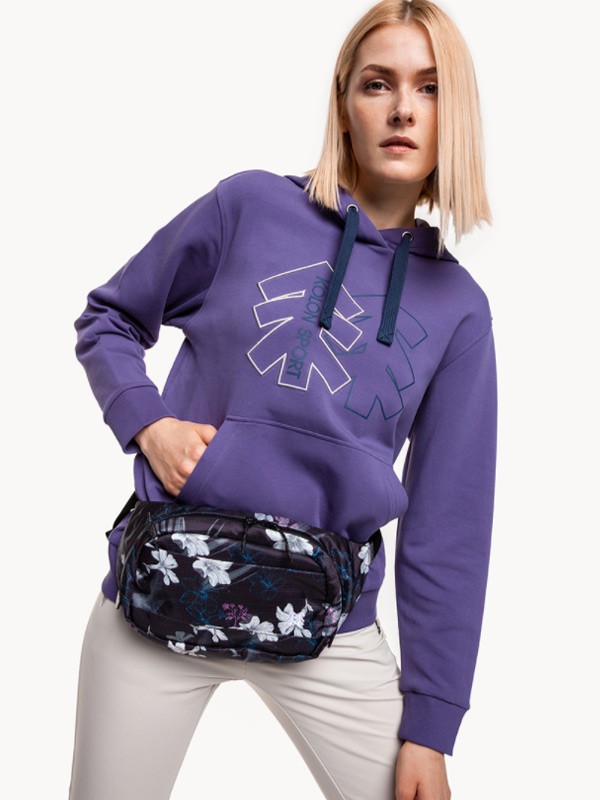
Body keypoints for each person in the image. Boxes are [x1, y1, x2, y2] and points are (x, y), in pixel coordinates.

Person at [68, 1, 497, 798]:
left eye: (431, 88)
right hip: (164, 586)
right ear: (345, 103)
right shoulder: (249, 207)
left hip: (329, 625)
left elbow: (450, 530)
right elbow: (110, 319)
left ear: (456, 115)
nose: (404, 109)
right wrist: (149, 424)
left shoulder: (459, 311)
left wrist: (431, 728)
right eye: (378, 83)